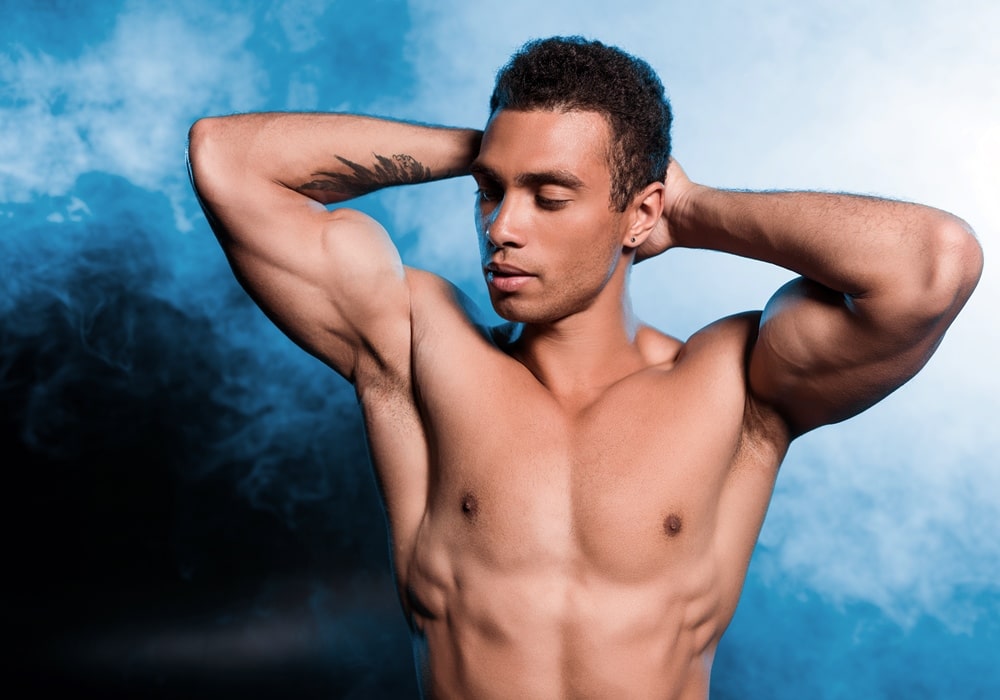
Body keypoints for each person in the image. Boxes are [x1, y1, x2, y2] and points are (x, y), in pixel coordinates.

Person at [187, 36, 981, 699]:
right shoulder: (418, 351)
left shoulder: (734, 383)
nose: (503, 226)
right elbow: (226, 159)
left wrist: (691, 208)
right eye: (491, 192)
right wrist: (490, 150)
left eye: (550, 197)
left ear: (639, 213)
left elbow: (933, 264)